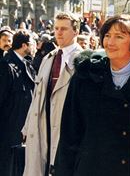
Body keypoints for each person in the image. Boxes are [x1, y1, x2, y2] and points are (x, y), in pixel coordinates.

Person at [54, 14, 130, 176]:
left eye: (119, 36)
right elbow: (69, 134)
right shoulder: (85, 77)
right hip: (91, 168)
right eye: (107, 35)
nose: (110, 42)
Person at [22, 12, 82, 176]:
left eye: (64, 28)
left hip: (67, 134)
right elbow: (37, 97)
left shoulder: (84, 61)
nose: (59, 32)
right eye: (56, 28)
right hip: (42, 130)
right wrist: (26, 128)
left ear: (76, 32)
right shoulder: (49, 58)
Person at [0, 30, 36, 174]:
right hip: (7, 129)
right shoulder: (6, 65)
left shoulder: (26, 64)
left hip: (21, 128)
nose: (34, 47)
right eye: (32, 44)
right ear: (24, 45)